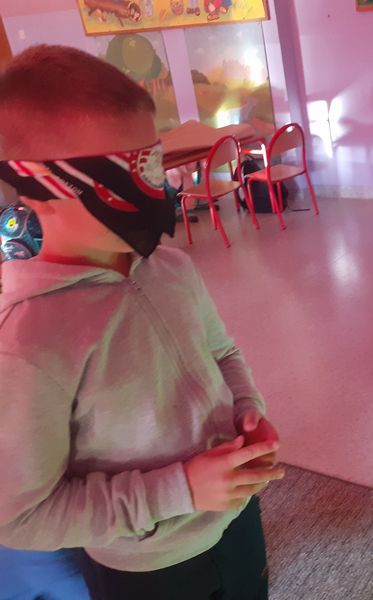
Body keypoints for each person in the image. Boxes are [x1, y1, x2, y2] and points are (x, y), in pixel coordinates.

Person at [0, 45, 284, 599]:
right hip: (146, 568)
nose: (156, 191)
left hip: (236, 521)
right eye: (124, 173)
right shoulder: (28, 343)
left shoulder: (171, 268)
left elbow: (222, 353)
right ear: (39, 185)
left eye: (153, 164)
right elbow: (22, 516)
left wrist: (248, 413)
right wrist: (180, 490)